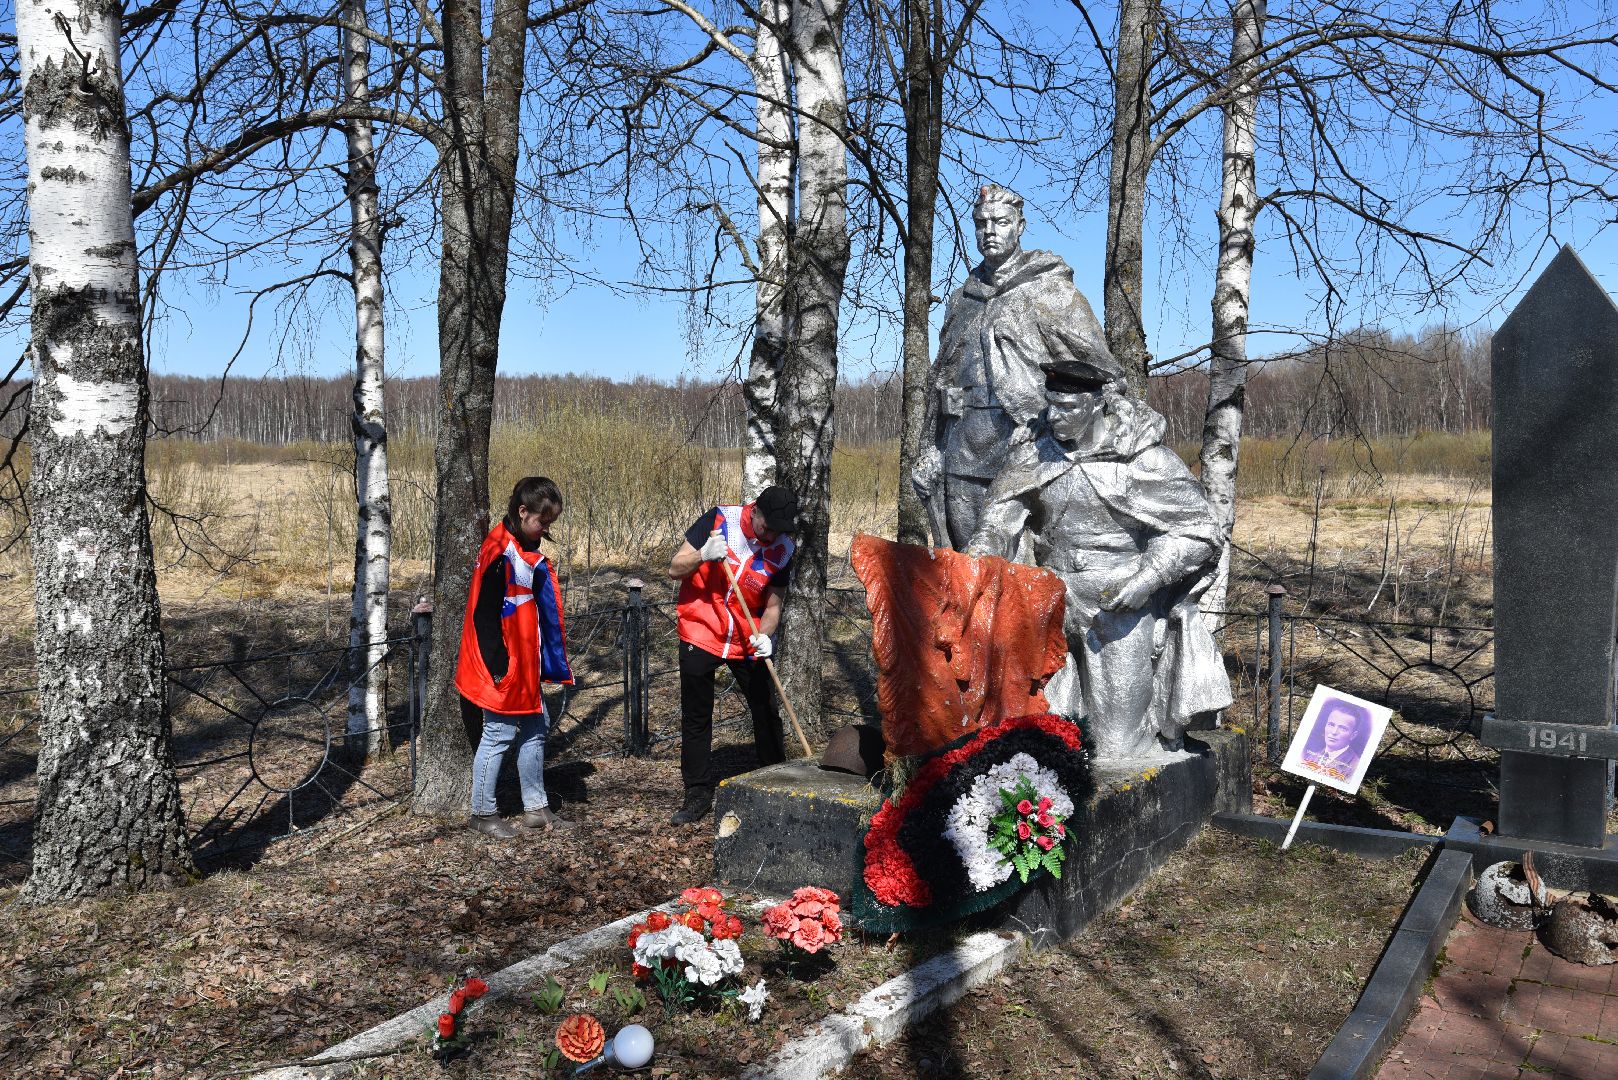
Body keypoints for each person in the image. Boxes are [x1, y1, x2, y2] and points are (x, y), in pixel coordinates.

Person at [967, 357, 1234, 760]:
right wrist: (977, 556)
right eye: (1050, 404)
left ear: (1098, 404)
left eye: (1068, 408)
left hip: (1118, 606)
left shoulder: (1143, 460)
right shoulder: (1033, 455)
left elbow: (1199, 532)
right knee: (1040, 736)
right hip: (1047, 601)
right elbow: (998, 522)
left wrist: (1148, 578)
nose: (1054, 416)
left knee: (1115, 748)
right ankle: (1039, 810)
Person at [914, 184, 1113, 550]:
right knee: (968, 571)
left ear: (1020, 226)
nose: (989, 231)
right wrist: (930, 447)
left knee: (1024, 577)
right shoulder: (963, 299)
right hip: (962, 457)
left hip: (1028, 452)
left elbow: (1102, 375)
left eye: (1000, 222)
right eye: (981, 223)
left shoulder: (1050, 290)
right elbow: (941, 378)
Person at [666, 485, 799, 824]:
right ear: (754, 512)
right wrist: (702, 555)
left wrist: (766, 635)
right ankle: (696, 792)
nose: (771, 536)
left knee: (766, 709)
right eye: (767, 528)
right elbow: (675, 568)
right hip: (701, 629)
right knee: (697, 716)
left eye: (779, 531)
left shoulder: (783, 547)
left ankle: (775, 782)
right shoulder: (718, 520)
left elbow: (773, 604)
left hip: (745, 636)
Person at [454, 476, 576, 838]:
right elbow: (484, 615)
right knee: (498, 732)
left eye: (550, 523)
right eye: (543, 521)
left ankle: (536, 808)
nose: (545, 529)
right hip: (501, 665)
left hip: (525, 662)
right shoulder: (500, 552)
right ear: (523, 512)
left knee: (537, 728)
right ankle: (482, 812)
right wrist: (498, 666)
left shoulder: (521, 545)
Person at [1300, 698, 1369, 782]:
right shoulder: (1310, 755)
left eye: (1342, 728)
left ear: (1353, 735)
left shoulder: (1354, 766)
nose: (1334, 732)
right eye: (1331, 725)